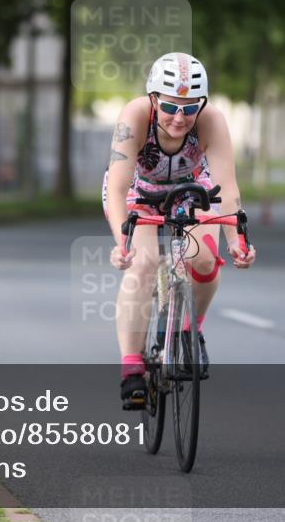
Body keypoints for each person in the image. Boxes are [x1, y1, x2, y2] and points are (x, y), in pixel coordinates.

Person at [103, 52, 256, 409]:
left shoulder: (211, 120)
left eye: (190, 109)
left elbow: (227, 188)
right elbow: (120, 188)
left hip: (192, 190)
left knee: (204, 260)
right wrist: (121, 242)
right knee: (142, 265)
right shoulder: (135, 116)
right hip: (138, 192)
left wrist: (237, 240)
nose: (180, 118)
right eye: (171, 107)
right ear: (154, 99)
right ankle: (131, 368)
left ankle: (190, 330)